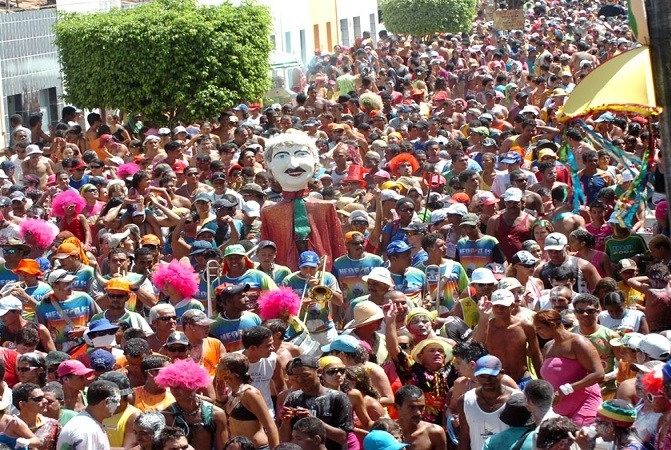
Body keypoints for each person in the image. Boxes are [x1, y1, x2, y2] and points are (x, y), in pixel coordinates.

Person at [533, 309, 604, 426]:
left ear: (552, 324)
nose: (537, 331)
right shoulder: (548, 346)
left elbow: (599, 374)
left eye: (539, 328)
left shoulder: (578, 342)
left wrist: (565, 390)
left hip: (585, 404)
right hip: (559, 409)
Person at [279, 355, 353, 450]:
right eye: (296, 377)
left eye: (305, 375)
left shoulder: (337, 398)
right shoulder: (293, 398)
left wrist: (314, 421)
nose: (300, 380)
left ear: (319, 372)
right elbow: (285, 439)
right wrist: (286, 421)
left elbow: (343, 437)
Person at [473, 289, 543, 389]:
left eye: (504, 306)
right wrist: (483, 317)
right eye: (496, 306)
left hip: (522, 379)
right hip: (496, 381)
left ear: (512, 305)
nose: (499, 309)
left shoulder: (525, 326)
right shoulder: (485, 326)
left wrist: (542, 380)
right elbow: (475, 349)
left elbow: (536, 354)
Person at [158, 359, 228, 450]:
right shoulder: (166, 415)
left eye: (180, 386)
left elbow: (223, 447)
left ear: (193, 386)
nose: (175, 390)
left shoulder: (216, 414)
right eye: (172, 386)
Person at [216, 353, 280, 449]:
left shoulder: (250, 393)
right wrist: (220, 398)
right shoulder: (232, 393)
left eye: (220, 364)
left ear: (228, 372)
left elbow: (271, 426)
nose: (217, 367)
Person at [456, 355, 520, 450]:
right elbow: (465, 437)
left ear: (502, 373)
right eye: (483, 376)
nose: (487, 381)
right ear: (476, 375)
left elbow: (524, 436)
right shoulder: (465, 401)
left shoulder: (517, 399)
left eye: (492, 376)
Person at [56, 379, 121, 450]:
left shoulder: (86, 423)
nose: (118, 404)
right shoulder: (87, 430)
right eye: (116, 401)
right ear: (106, 402)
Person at [240, 326, 285, 419]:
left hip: (267, 414)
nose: (273, 348)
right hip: (240, 417)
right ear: (252, 348)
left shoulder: (274, 359)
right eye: (268, 345)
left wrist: (281, 412)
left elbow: (280, 387)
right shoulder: (232, 362)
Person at [394, 385, 446, 450]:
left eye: (421, 407)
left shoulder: (434, 433)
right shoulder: (387, 432)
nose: (418, 413)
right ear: (397, 407)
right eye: (412, 407)